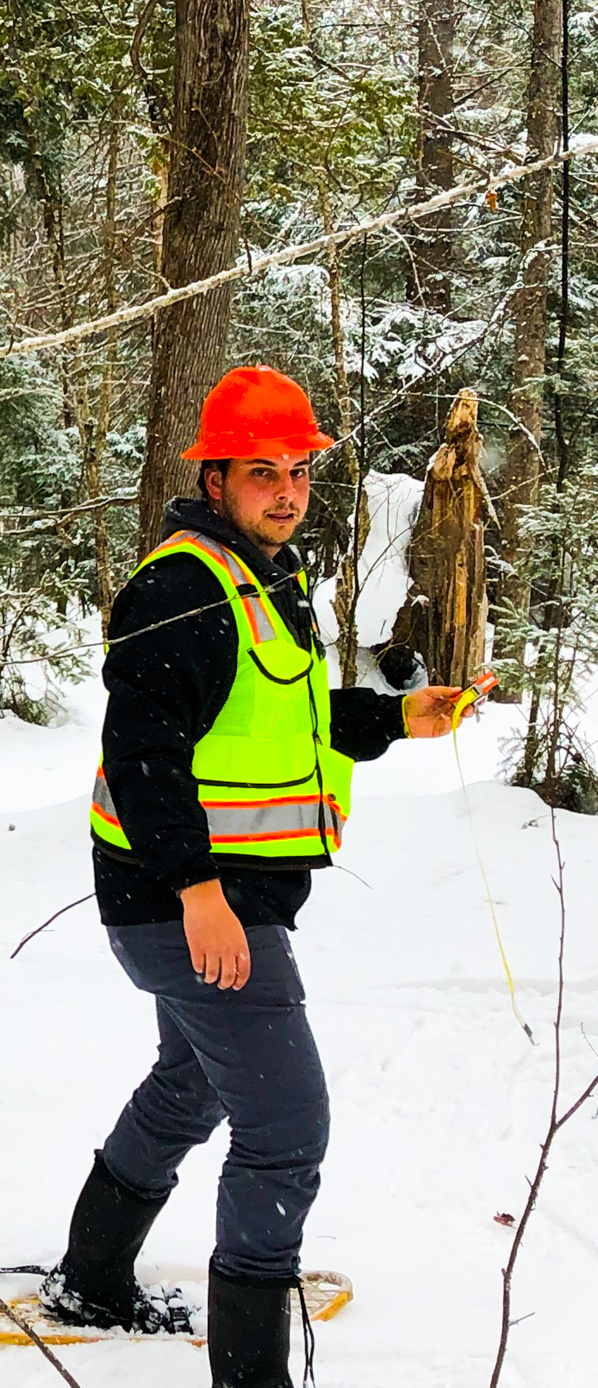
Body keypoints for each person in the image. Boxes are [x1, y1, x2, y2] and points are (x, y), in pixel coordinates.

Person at [45, 367, 470, 1386]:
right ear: (215, 475)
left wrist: (392, 718)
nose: (284, 489)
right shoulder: (180, 586)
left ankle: (91, 1275)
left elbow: (277, 714)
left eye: (296, 471)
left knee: (188, 1086)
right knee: (284, 1127)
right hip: (188, 906)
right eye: (260, 472)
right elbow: (143, 755)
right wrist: (198, 894)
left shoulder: (257, 575)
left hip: (219, 903)